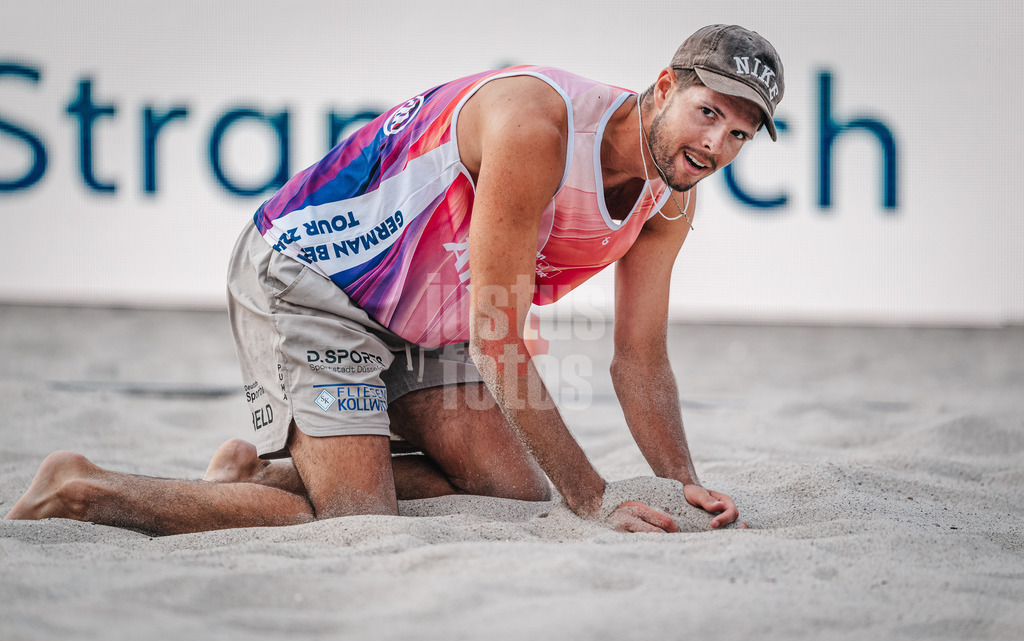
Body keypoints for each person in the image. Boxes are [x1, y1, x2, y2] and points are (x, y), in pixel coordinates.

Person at [6, 24, 784, 535]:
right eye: (708, 112)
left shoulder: (671, 197)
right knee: (357, 518)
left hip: (425, 313)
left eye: (739, 133)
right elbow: (497, 335)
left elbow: (640, 359)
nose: (716, 144)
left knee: (510, 494)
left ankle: (258, 470)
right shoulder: (537, 127)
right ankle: (83, 486)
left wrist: (685, 486)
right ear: (663, 87)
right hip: (315, 276)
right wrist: (591, 496)